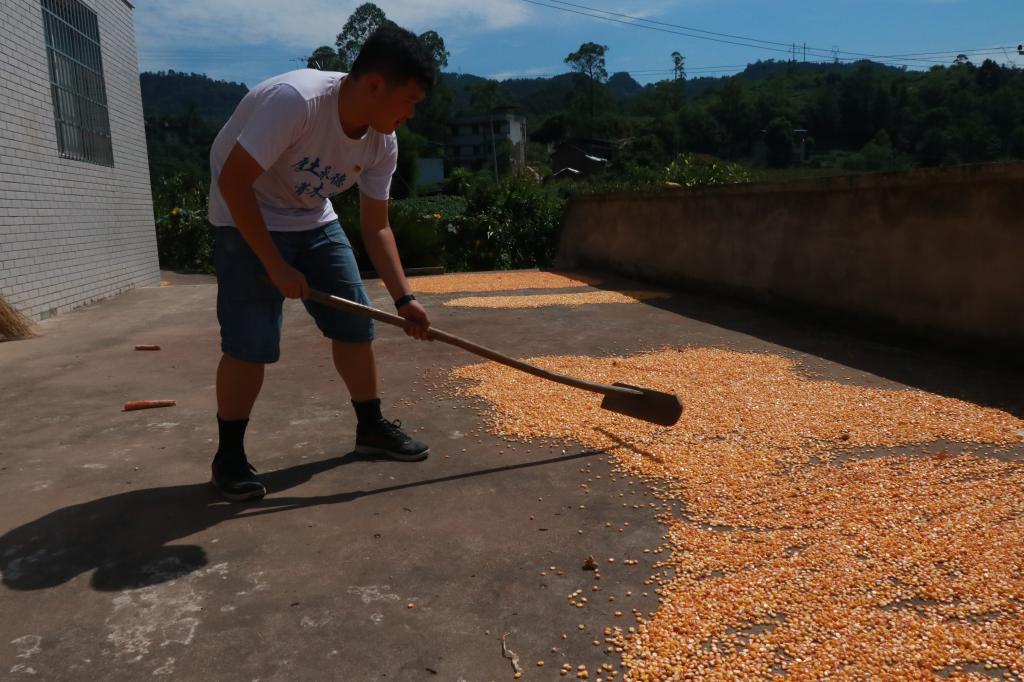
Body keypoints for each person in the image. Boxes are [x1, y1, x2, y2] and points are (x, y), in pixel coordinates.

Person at [206, 25, 435, 502]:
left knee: (355, 324)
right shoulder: (297, 102)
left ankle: (370, 428)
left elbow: (377, 227)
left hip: (312, 217)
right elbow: (233, 181)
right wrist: (274, 264)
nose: (412, 114)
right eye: (409, 101)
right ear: (375, 85)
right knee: (251, 343)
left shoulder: (381, 142)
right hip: (243, 211)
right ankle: (228, 456)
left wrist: (404, 298)